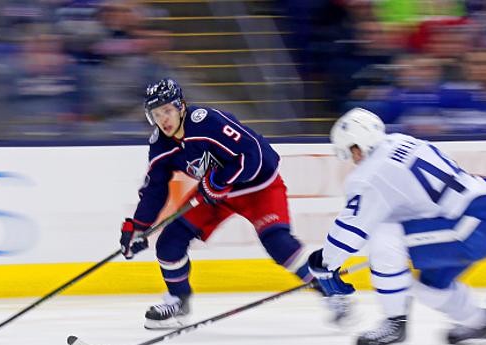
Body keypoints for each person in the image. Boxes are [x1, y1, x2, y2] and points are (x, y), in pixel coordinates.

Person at [121, 78, 350, 329]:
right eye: (156, 114)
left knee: (279, 244)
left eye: (167, 110)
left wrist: (219, 182)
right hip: (215, 195)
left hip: (257, 187)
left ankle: (332, 292)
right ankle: (178, 301)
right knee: (169, 242)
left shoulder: (206, 121)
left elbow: (253, 153)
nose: (163, 119)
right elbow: (154, 189)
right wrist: (138, 226)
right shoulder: (160, 145)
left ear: (180, 106)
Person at [308, 107, 486, 345]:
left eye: (352, 151)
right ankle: (479, 321)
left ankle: (394, 325)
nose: (354, 158)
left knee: (384, 237)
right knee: (430, 288)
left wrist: (325, 263)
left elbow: (351, 229)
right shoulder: (403, 141)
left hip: (469, 228)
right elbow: (411, 203)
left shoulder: (370, 175)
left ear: (358, 146)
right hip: (485, 219)